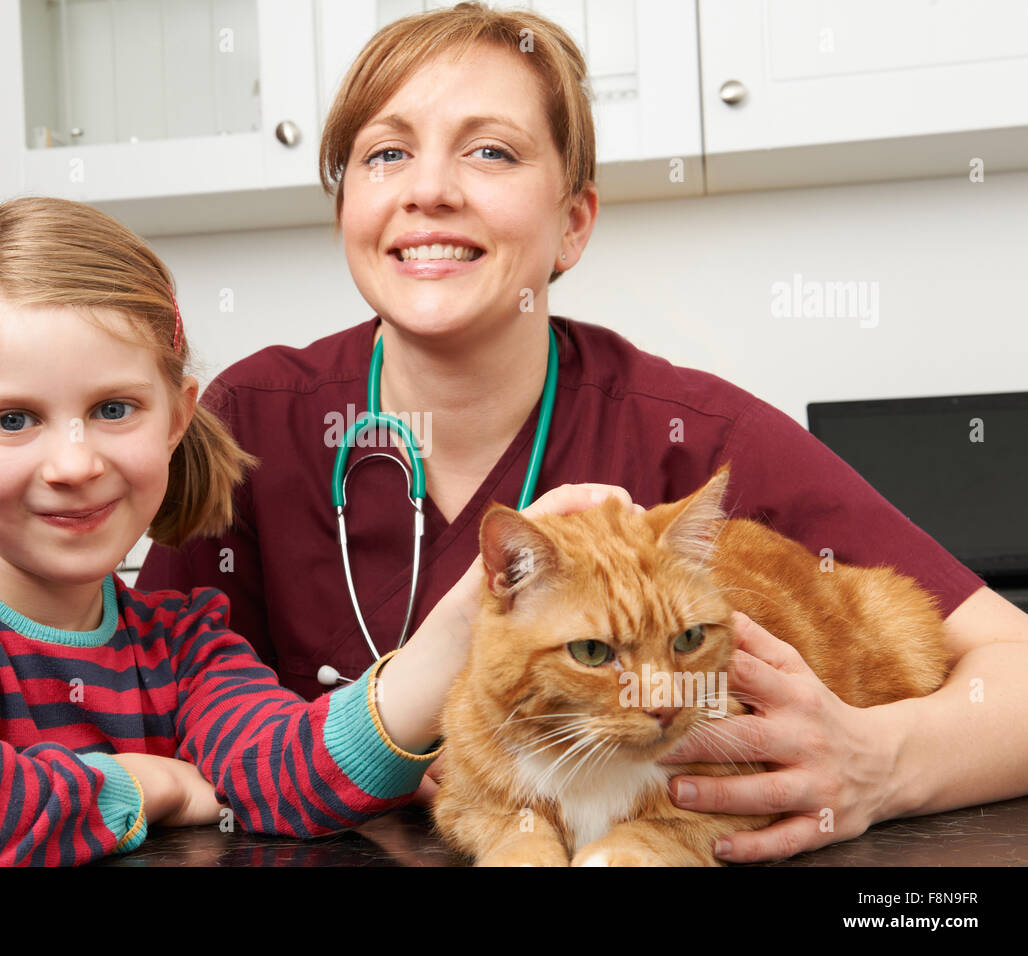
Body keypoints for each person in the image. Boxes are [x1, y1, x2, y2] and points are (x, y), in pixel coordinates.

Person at [138, 2, 1028, 863]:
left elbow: (1013, 664)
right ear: (346, 211)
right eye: (385, 154)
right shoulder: (250, 420)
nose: (430, 190)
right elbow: (154, 705)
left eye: (490, 151)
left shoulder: (689, 435)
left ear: (572, 223)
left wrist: (884, 765)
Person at [0, 195, 613, 865]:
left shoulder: (179, 644)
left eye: (113, 409)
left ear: (178, 418)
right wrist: (150, 787)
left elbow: (299, 778)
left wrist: (468, 617)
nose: (73, 463)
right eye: (13, 419)